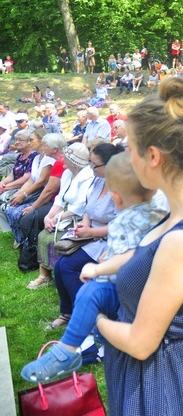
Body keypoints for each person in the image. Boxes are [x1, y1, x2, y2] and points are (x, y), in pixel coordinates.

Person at [90, 77, 183, 415]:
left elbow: (139, 342)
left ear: (152, 155)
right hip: (163, 369)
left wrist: (93, 316)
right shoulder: (181, 212)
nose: (127, 158)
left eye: (129, 148)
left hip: (160, 384)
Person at [21, 152, 168, 383]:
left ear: (117, 197)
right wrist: (105, 263)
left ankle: (83, 343)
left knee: (91, 294)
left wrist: (103, 268)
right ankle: (71, 348)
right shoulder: (138, 214)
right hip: (120, 275)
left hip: (137, 284)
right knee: (87, 291)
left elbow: (138, 254)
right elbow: (127, 250)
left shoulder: (150, 216)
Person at [50, 143, 120, 331]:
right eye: (90, 162)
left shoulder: (121, 186)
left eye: (94, 164)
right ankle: (68, 312)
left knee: (68, 267)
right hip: (91, 235)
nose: (90, 167)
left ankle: (88, 316)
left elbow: (121, 225)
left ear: (109, 165)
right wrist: (86, 223)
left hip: (109, 241)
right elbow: (88, 207)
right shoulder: (97, 180)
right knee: (59, 266)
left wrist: (91, 232)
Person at [26, 143, 94, 290]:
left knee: (53, 237)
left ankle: (62, 275)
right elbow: (60, 198)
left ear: (74, 161)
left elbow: (81, 206)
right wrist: (49, 217)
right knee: (43, 233)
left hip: (80, 217)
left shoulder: (87, 176)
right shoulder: (68, 173)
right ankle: (45, 276)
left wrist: (57, 218)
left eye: (66, 157)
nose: (62, 159)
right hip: (65, 214)